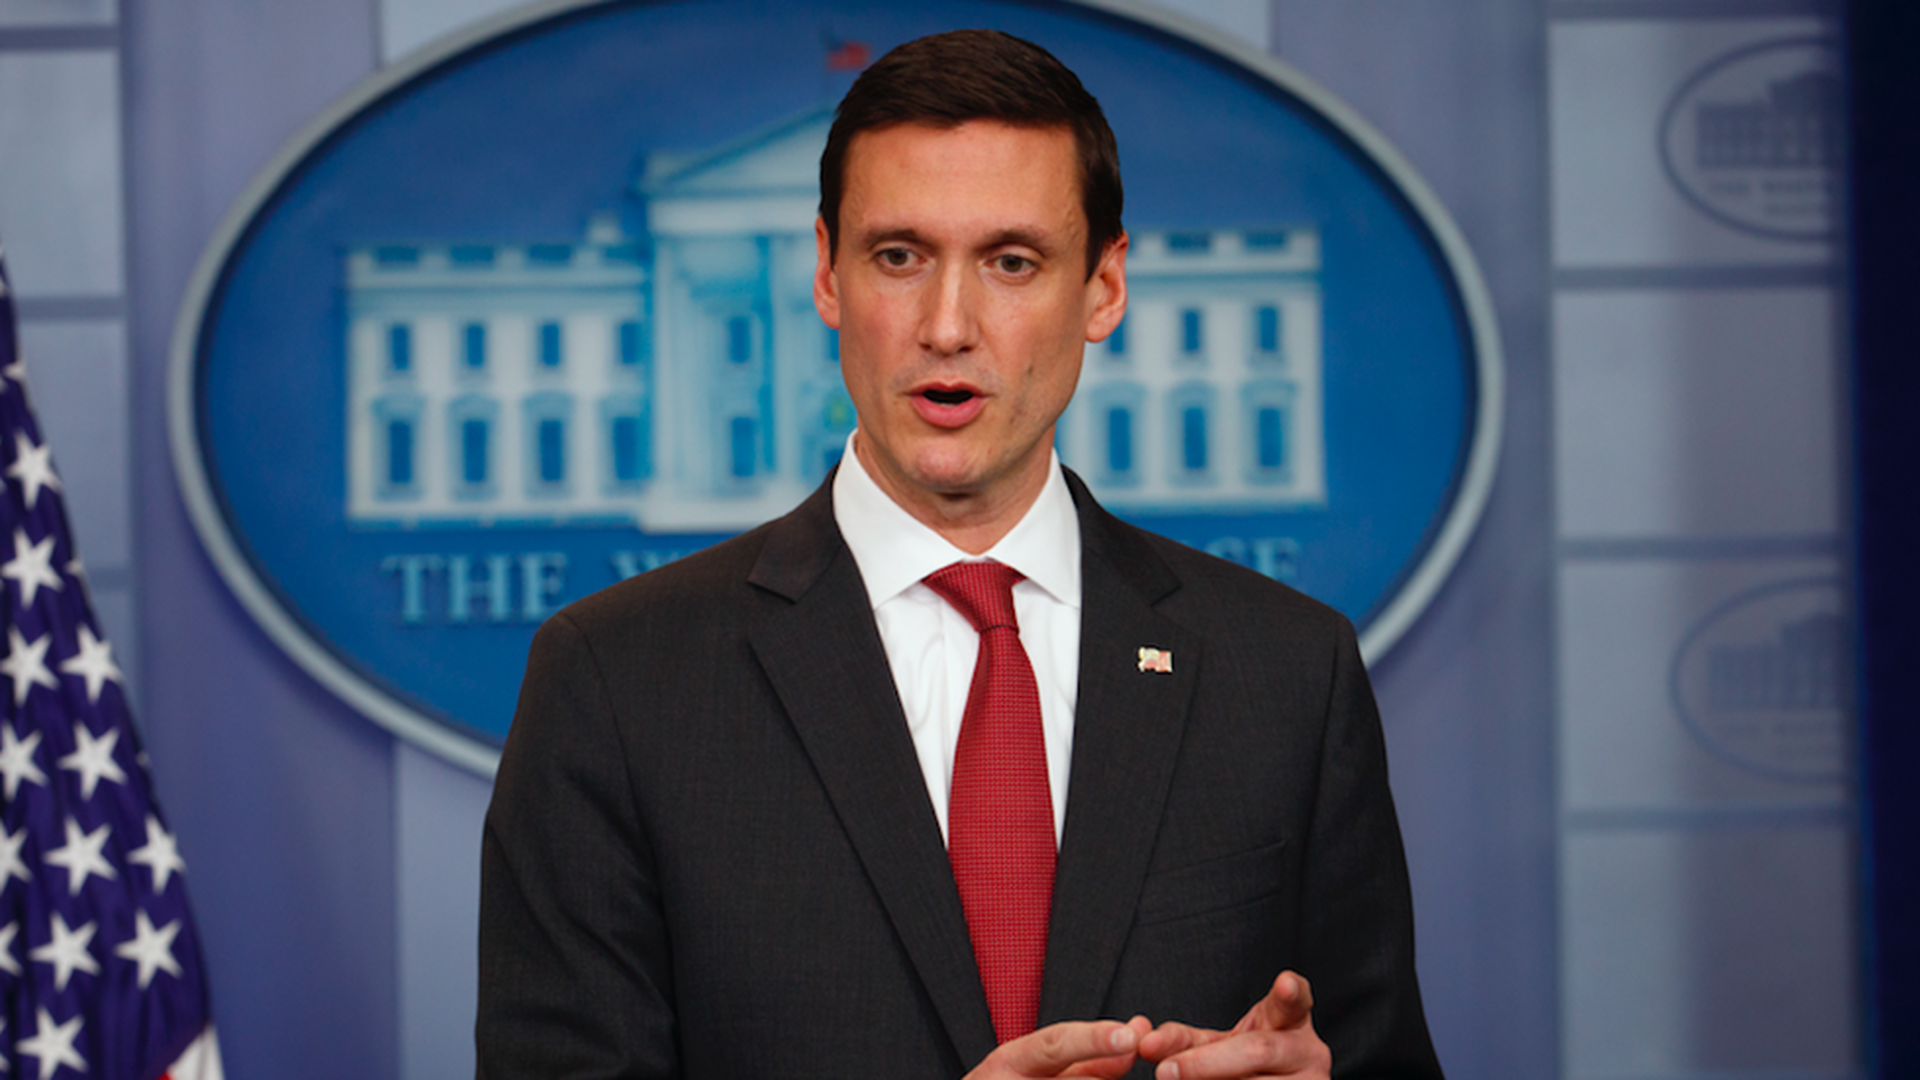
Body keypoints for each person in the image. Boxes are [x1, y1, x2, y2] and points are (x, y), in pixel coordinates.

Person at [478, 29, 1442, 1080]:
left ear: (1104, 288)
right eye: (899, 257)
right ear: (827, 275)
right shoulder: (617, 683)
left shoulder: (1288, 674)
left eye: (1011, 263)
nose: (947, 326)